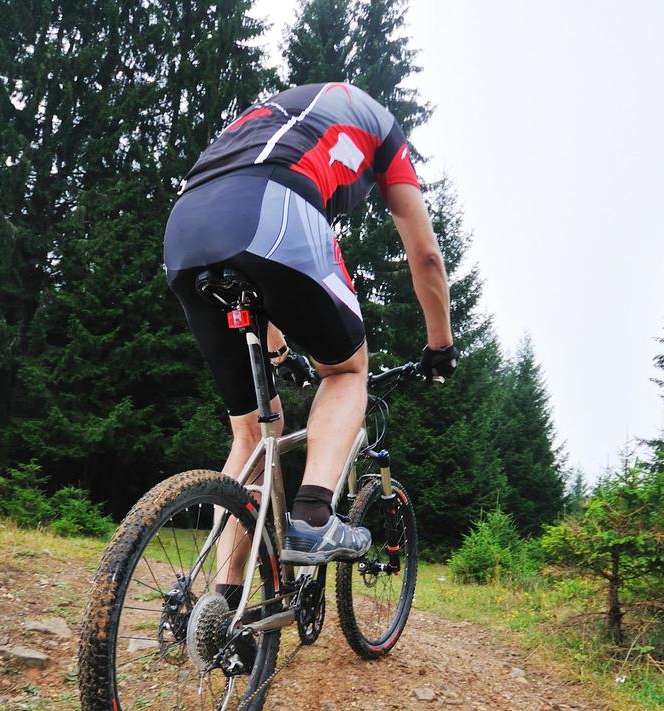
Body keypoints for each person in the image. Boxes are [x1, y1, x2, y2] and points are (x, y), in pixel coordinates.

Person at [164, 81, 457, 570]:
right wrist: (440, 346)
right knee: (344, 372)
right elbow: (425, 255)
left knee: (253, 434)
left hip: (186, 229)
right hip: (275, 207)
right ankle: (314, 516)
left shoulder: (272, 113)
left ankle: (221, 604)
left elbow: (259, 286)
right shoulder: (382, 127)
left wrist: (280, 354)